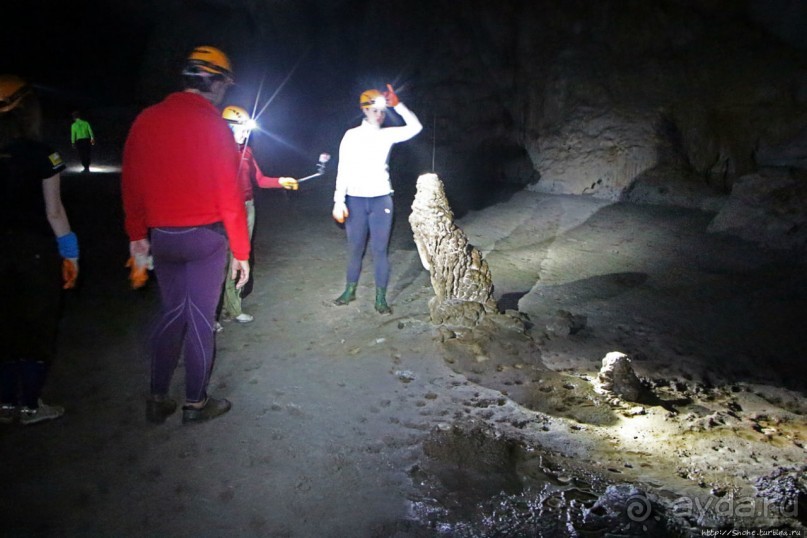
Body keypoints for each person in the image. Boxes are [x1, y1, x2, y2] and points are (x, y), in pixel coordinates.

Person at [121, 45, 250, 425]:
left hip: (163, 236)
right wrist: (241, 252)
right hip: (205, 238)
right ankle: (195, 402)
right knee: (199, 319)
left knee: (172, 312)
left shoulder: (146, 119)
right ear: (218, 83)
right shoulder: (213, 125)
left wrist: (137, 236)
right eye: (226, 84)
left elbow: (132, 182)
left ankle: (157, 397)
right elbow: (230, 195)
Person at [0, 75, 79, 425]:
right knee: (36, 328)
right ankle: (30, 405)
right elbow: (54, 211)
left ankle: (4, 404)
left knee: (4, 326)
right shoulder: (43, 153)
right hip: (33, 253)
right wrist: (71, 254)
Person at [331, 84, 422, 314]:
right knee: (355, 248)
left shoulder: (387, 135)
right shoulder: (351, 135)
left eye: (382, 111)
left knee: (380, 250)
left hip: (382, 199)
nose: (379, 115)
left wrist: (398, 105)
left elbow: (416, 127)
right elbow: (343, 169)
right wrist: (338, 201)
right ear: (364, 110)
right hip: (356, 199)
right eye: (374, 110)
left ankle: (380, 298)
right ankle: (349, 290)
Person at [217, 105, 298, 327]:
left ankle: (232, 308)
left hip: (247, 208)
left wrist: (281, 181)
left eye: (247, 129)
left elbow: (260, 180)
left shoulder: (247, 152)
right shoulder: (215, 151)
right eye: (241, 129)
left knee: (239, 258)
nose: (246, 134)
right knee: (219, 262)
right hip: (224, 211)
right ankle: (209, 316)